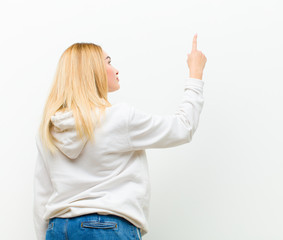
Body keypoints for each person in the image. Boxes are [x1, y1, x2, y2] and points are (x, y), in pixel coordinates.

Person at [33, 33, 207, 240]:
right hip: (107, 228)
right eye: (108, 62)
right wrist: (195, 74)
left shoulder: (49, 128)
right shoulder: (118, 118)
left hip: (58, 229)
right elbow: (183, 127)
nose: (115, 69)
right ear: (93, 72)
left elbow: (42, 195)